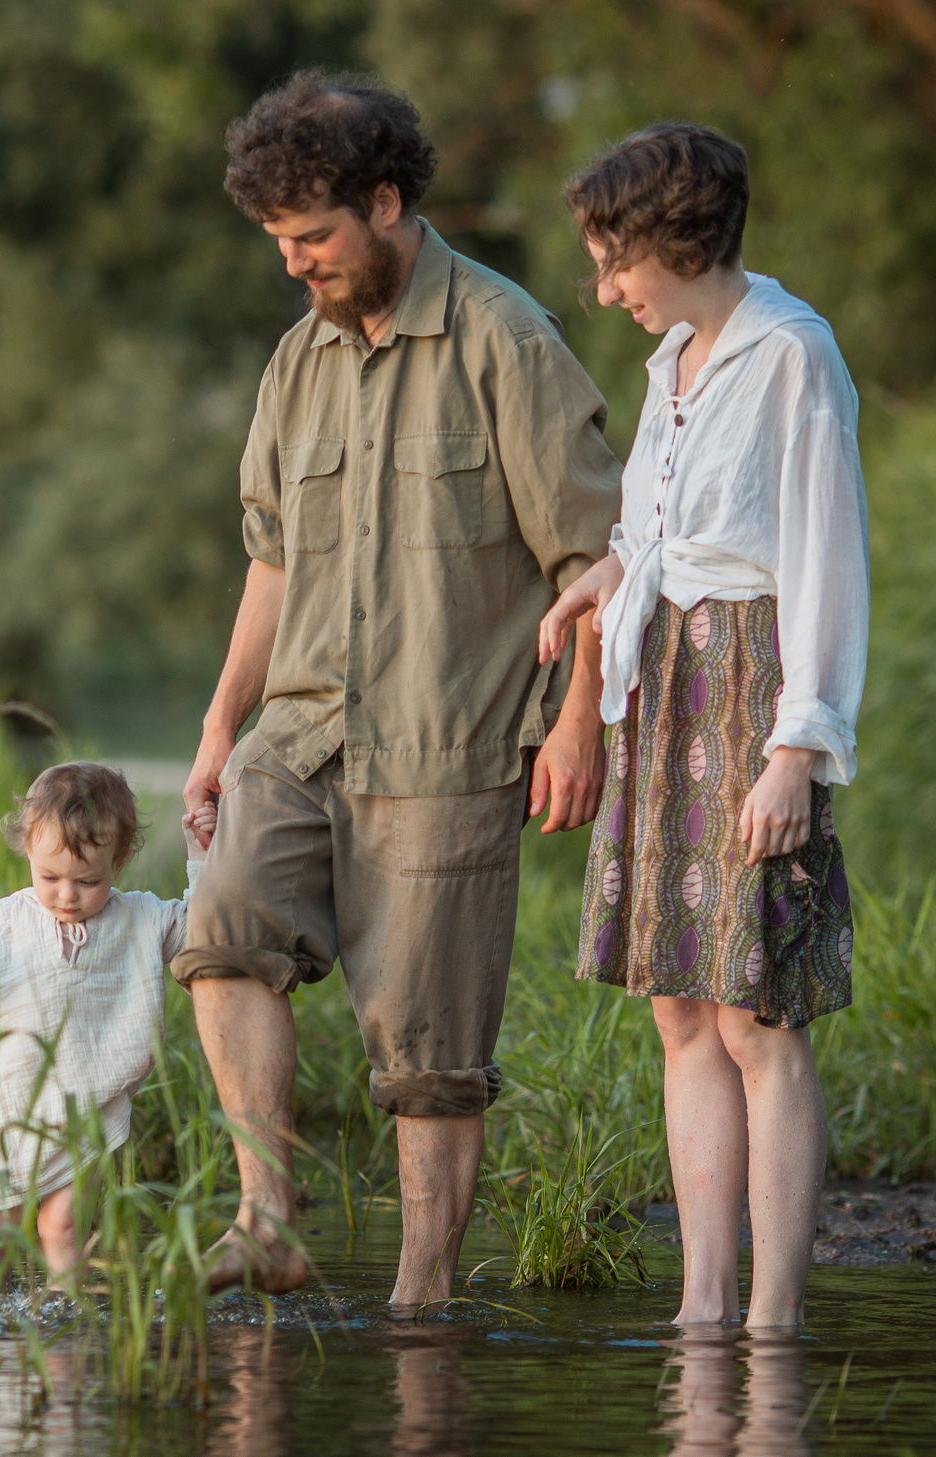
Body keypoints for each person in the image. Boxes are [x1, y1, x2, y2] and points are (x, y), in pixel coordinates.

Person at [175, 69, 625, 1304]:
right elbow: (271, 560)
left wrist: (581, 719)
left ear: (386, 203)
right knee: (219, 931)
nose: (294, 264)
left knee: (428, 1055)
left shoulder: (507, 339)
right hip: (300, 730)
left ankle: (422, 1305)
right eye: (277, 242)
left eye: (311, 237)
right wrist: (219, 731)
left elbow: (595, 556)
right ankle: (268, 1218)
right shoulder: (294, 362)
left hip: (454, 744)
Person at [536, 122, 866, 1331]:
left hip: (751, 688)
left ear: (674, 238)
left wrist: (798, 746)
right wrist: (602, 579)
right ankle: (701, 1307)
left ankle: (773, 1318)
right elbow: (659, 535)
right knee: (680, 1006)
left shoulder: (791, 354)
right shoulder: (669, 358)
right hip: (660, 686)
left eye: (614, 261)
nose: (607, 288)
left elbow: (822, 556)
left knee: (754, 1011)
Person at [0, 761, 211, 1287]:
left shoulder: (140, 918)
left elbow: (200, 928)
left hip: (93, 1105)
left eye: (88, 880)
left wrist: (200, 856)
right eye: (50, 877)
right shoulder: (5, 921)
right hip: (16, 1106)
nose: (67, 895)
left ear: (122, 860)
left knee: (63, 1227)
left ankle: (70, 1329)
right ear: (27, 853)